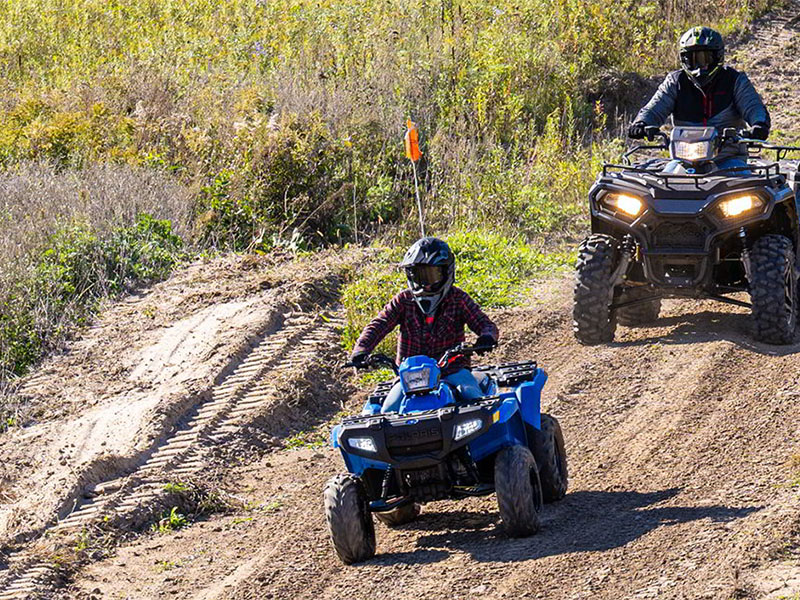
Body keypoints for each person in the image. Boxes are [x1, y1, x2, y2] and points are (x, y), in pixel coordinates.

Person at [350, 236, 499, 414]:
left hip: (452, 371)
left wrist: (486, 337)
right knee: (388, 410)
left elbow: (483, 323)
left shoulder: (458, 298)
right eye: (420, 275)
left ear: (446, 272)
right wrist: (361, 350)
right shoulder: (403, 300)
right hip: (409, 377)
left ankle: (491, 441)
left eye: (432, 275)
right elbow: (379, 324)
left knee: (475, 400)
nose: (426, 283)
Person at [628, 26, 770, 171]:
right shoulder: (675, 82)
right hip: (683, 160)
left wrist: (759, 124)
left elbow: (753, 107)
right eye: (693, 59)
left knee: (743, 185)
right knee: (665, 182)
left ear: (718, 57)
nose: (700, 66)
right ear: (684, 59)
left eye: (706, 58)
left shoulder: (735, 80)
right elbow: (655, 108)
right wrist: (641, 123)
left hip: (728, 157)